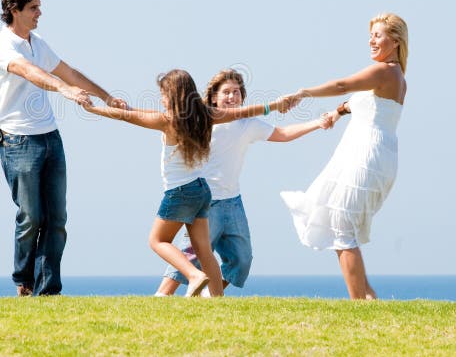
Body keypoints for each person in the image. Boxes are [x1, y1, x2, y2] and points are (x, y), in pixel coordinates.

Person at [83, 69, 296, 297]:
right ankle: (216, 300)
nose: (161, 99)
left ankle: (193, 275)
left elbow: (127, 118)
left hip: (179, 192)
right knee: (204, 250)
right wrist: (273, 105)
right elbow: (242, 112)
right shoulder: (206, 115)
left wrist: (92, 108)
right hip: (202, 191)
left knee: (157, 240)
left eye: (163, 94)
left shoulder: (167, 121)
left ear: (172, 95)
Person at [0, 0, 127, 296]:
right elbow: (28, 72)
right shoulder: (1, 46)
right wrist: (63, 90)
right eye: (33, 7)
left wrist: (105, 96)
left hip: (50, 138)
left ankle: (48, 291)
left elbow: (68, 72)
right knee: (31, 217)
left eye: (39, 6)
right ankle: (24, 280)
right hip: (18, 142)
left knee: (57, 219)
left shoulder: (38, 44)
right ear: (14, 10)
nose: (39, 12)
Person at [154, 68, 332, 297]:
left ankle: (207, 298)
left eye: (237, 92)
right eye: (226, 92)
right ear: (213, 97)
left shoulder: (248, 124)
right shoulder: (204, 119)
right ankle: (161, 297)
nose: (232, 96)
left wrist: (317, 123)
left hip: (233, 202)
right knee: (192, 254)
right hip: (206, 201)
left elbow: (283, 133)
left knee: (241, 261)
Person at [281, 13, 408, 300]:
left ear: (395, 41)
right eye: (371, 35)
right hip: (370, 152)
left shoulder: (385, 71)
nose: (371, 40)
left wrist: (303, 92)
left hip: (367, 154)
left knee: (342, 229)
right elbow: (355, 101)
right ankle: (369, 298)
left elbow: (343, 86)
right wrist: (337, 114)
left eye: (378, 35)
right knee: (341, 224)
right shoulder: (390, 77)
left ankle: (358, 305)